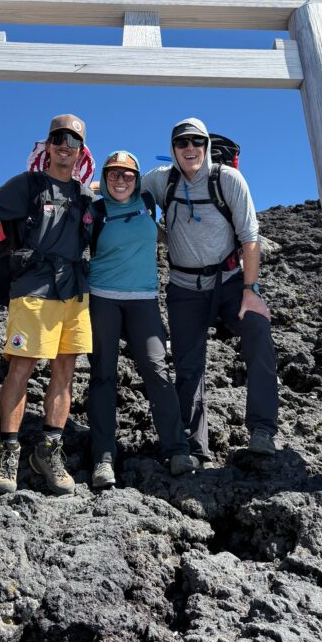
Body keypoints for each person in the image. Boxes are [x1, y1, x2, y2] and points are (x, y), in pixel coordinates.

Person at [141, 118, 279, 467]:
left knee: (259, 333)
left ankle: (262, 430)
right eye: (182, 143)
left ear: (206, 146)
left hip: (231, 283)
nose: (190, 149)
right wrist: (77, 183)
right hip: (184, 289)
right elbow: (121, 190)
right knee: (189, 367)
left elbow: (250, 237)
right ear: (173, 150)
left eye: (197, 142)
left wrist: (250, 290)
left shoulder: (227, 180)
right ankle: (193, 449)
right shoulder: (161, 180)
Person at [0, 114, 93, 497]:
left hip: (74, 291)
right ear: (49, 145)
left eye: (73, 141)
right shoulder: (30, 184)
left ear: (80, 151)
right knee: (20, 367)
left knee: (65, 370)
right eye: (58, 138)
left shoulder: (85, 195)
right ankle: (8, 452)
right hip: (34, 288)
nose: (65, 146)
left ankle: (49, 450)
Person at [86, 151, 192, 488]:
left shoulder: (148, 200)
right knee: (103, 376)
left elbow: (180, 174)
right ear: (104, 178)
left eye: (127, 174)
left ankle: (177, 449)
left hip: (144, 301)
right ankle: (103, 458)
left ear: (137, 179)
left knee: (156, 370)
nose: (120, 180)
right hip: (102, 299)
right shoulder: (95, 210)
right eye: (113, 174)